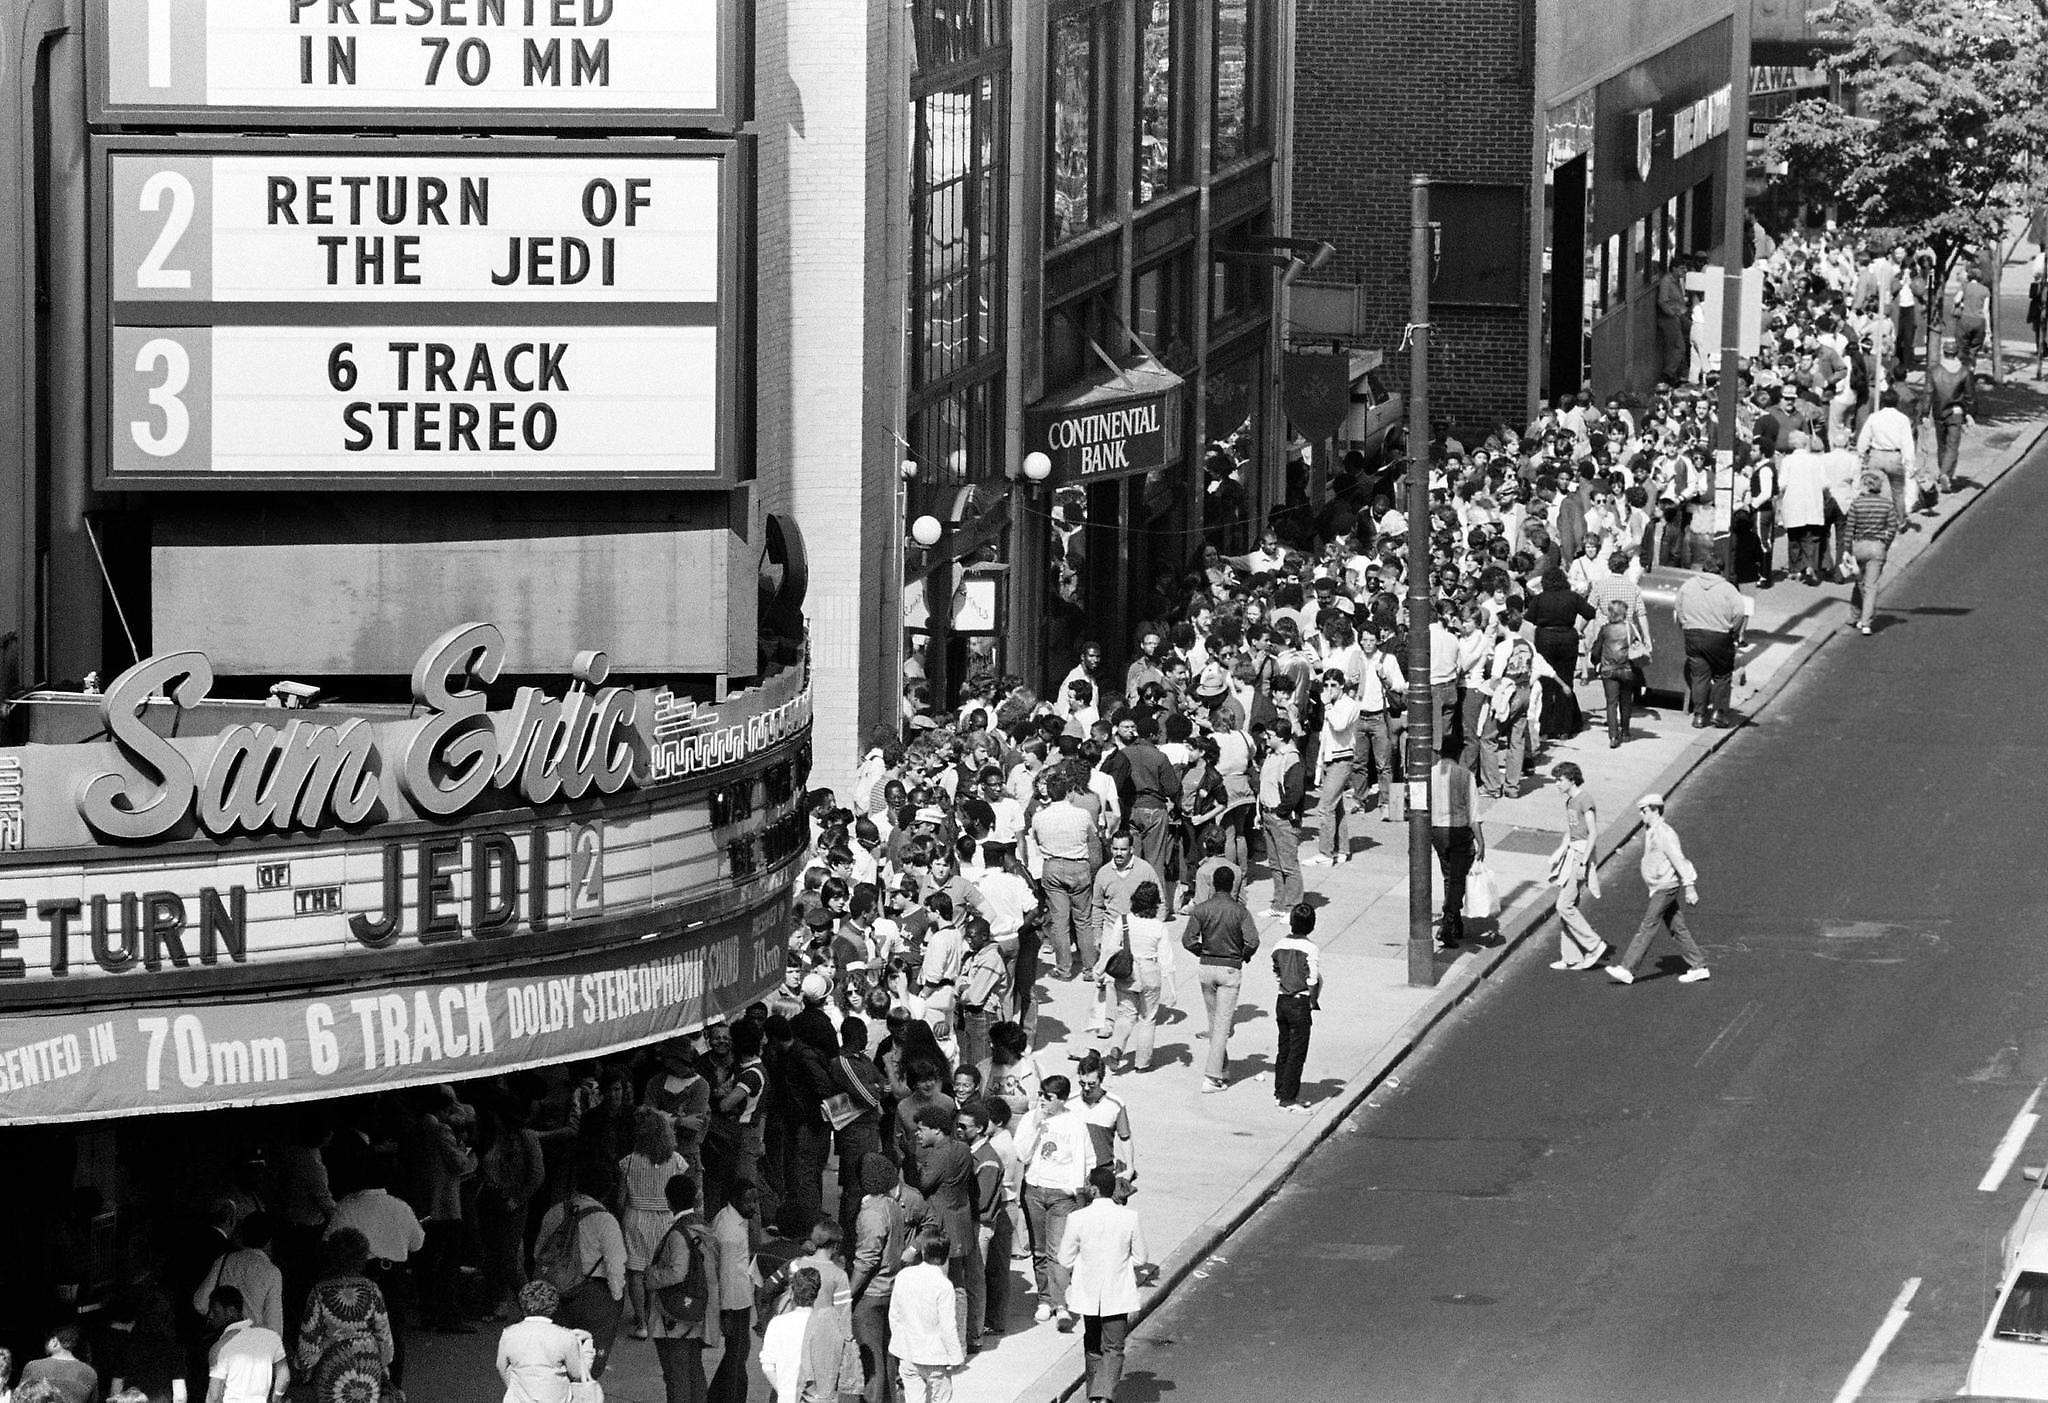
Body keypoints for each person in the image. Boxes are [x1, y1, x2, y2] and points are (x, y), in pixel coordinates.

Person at [1058, 1166, 1149, 1403]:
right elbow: (1141, 1258)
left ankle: (1095, 1395)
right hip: (1117, 1291)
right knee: (1114, 1346)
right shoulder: (1129, 1217)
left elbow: (1064, 1258)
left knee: (1092, 1343)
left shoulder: (1077, 1218)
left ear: (1094, 1189)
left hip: (1088, 1293)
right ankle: (1103, 1395)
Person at [533, 1157, 629, 1378]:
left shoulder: (555, 1212)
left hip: (553, 1291)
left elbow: (539, 1252)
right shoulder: (606, 1221)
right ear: (607, 1190)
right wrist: (616, 1297)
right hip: (592, 1296)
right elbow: (615, 1266)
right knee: (586, 1367)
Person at [1606, 793, 1711, 985]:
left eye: (1644, 810)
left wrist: (1690, 886)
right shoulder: (1652, 830)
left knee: (1647, 926)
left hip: (1666, 887)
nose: (1641, 814)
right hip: (1659, 886)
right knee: (1677, 929)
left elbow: (1679, 859)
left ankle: (1627, 969)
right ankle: (1699, 966)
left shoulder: (1664, 832)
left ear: (1655, 809)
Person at [1017, 1075, 1095, 1329]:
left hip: (1061, 1196)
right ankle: (1044, 1300)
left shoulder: (1074, 1123)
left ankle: (1061, 1304)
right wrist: (1035, 1124)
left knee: (1058, 1252)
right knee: (1039, 1250)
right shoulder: (1032, 1118)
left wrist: (1073, 1190)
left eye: (1048, 1098)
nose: (1042, 1101)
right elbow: (1022, 1153)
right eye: (1040, 1095)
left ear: (1061, 1100)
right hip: (1035, 1190)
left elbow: (1084, 1159)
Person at [1180, 866, 1261, 1093]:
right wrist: (1243, 955)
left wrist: (1202, 951)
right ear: (1233, 885)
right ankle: (1212, 1077)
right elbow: (1252, 941)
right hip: (1229, 969)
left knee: (1214, 1021)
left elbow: (1188, 940)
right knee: (1222, 1026)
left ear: (1214, 884)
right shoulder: (1240, 911)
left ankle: (1222, 1066)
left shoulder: (1202, 909)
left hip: (1206, 967)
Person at [294, 1229, 395, 1403]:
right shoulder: (371, 1289)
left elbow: (310, 1341)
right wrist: (384, 1362)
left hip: (333, 1367)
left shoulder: (320, 1291)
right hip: (368, 1367)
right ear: (362, 1257)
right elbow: (383, 1334)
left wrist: (302, 1365)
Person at [645, 1172, 720, 1403]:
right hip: (699, 1308)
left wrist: (651, 1276)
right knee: (694, 1371)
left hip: (676, 1315)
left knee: (676, 1375)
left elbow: (677, 1272)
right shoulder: (704, 1227)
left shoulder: (678, 1233)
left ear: (668, 1201)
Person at [621, 1106, 690, 1340]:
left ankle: (640, 1321)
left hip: (636, 1217)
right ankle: (652, 1317)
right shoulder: (677, 1161)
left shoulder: (629, 1162)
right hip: (665, 1220)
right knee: (657, 1271)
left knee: (636, 1272)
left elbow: (621, 1198)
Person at [849, 1154, 909, 1403]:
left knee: (870, 1363)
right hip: (890, 1290)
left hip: (871, 1295)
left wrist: (848, 1293)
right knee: (886, 1358)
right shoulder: (893, 1205)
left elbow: (867, 1259)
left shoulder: (872, 1212)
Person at [888, 1231, 965, 1403]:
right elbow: (947, 1326)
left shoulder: (904, 1276)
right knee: (941, 1398)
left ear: (923, 1252)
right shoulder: (944, 1286)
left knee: (913, 1398)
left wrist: (900, 1343)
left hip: (908, 1354)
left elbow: (894, 1314)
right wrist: (956, 1357)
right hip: (935, 1358)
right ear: (946, 1257)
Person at [1546, 762, 1606, 970]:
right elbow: (1571, 830)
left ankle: (1594, 944)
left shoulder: (1584, 799)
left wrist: (1583, 862)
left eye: (1559, 780)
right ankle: (1571, 957)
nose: (1556, 784)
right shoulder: (1570, 801)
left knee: (1564, 905)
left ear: (1572, 779)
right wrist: (1560, 851)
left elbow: (1593, 832)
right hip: (1572, 852)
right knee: (1566, 905)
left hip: (1581, 854)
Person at [1673, 558, 1745, 729]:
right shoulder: (1729, 589)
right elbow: (1740, 613)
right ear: (1721, 570)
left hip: (1693, 634)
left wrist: (1686, 623)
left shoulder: (1688, 585)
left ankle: (1699, 715)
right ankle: (1718, 713)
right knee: (1722, 675)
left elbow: (1678, 607)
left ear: (1704, 568)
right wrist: (1733, 631)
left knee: (1699, 676)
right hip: (1719, 635)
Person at [495, 1280, 594, 1403]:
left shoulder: (509, 1333)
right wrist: (588, 1344)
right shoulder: (565, 1336)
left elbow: (501, 1366)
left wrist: (514, 1388)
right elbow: (578, 1374)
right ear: (553, 1307)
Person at [191, 1213, 284, 1339]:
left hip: (220, 1340)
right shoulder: (272, 1273)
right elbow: (274, 1328)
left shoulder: (224, 1260)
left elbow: (200, 1302)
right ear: (269, 1241)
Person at [707, 1181, 758, 1403]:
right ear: (735, 1199)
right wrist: (725, 1312)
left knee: (736, 1353)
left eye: (755, 1200)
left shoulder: (734, 1220)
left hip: (740, 1298)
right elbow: (725, 1274)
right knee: (737, 1355)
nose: (754, 1206)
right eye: (749, 1201)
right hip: (734, 1302)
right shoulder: (728, 1230)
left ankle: (717, 1396)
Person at [1270, 902, 1323, 1112]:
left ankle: (1280, 1091)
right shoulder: (1311, 948)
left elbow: (1276, 971)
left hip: (1282, 1000)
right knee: (1297, 1052)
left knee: (1283, 1048)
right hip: (1299, 1002)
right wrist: (1313, 1001)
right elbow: (1312, 979)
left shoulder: (1278, 945)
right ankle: (1288, 1099)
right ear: (1312, 925)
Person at [1430, 737, 1483, 950]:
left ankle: (1456, 921)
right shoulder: (1465, 776)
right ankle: (1449, 922)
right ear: (1459, 753)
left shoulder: (1430, 774)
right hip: (1459, 831)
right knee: (1458, 879)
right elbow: (1473, 814)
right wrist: (1481, 841)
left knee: (1448, 875)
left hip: (1436, 830)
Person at [1256, 718, 1307, 916]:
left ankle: (1293, 907)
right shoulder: (1271, 754)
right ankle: (1278, 905)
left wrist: (1280, 812)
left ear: (1281, 737)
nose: (1266, 739)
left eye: (1269, 736)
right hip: (1267, 814)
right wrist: (1260, 811)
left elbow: (1295, 791)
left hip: (1282, 819)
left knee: (1289, 866)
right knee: (1275, 865)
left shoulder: (1292, 758)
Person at [203, 1287, 288, 1403]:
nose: (210, 1316)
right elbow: (284, 1376)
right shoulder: (270, 1337)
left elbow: (214, 1396)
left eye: (215, 1311)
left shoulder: (219, 1348)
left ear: (231, 1312)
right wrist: (276, 1399)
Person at [1844, 469, 1903, 635]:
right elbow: (1892, 528)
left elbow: (1850, 529)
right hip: (1877, 547)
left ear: (1865, 486)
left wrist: (1847, 550)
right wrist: (1885, 544)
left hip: (1859, 545)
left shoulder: (1857, 503)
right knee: (1870, 586)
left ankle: (1855, 616)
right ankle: (1866, 622)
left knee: (1859, 580)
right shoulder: (1887, 504)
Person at [1926, 338, 1975, 499]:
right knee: (1953, 445)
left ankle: (1944, 473)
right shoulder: (1964, 372)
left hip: (1939, 411)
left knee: (1941, 444)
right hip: (1956, 412)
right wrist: (1968, 413)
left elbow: (1928, 393)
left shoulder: (1934, 371)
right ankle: (1945, 474)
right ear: (1956, 352)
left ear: (1943, 351)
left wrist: (1925, 413)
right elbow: (1969, 396)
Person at [15, 1328, 97, 1403]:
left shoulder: (33, 1367)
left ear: (54, 1341)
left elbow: (20, 1398)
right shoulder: (90, 1372)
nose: (45, 1345)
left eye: (47, 1341)